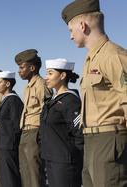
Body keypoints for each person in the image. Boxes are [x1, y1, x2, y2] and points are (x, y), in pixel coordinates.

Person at [61, 0, 127, 186]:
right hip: (92, 140)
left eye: (70, 30)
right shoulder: (91, 59)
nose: (70, 36)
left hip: (109, 141)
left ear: (82, 26)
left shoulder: (113, 55)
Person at [39, 58, 83, 187]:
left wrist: (75, 158)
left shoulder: (70, 100)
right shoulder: (52, 100)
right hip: (51, 158)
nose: (46, 77)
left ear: (63, 75)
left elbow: (78, 133)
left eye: (50, 73)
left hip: (65, 161)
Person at [15, 49, 52, 187]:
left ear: (32, 68)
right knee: (25, 170)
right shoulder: (28, 86)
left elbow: (47, 111)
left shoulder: (41, 85)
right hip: (26, 130)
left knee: (34, 171)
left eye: (21, 67)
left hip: (35, 132)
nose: (19, 71)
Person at [0, 71, 23, 187]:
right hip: (4, 142)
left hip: (10, 143)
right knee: (6, 173)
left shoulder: (13, 100)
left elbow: (16, 124)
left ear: (7, 84)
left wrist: (12, 142)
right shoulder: (6, 99)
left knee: (10, 174)